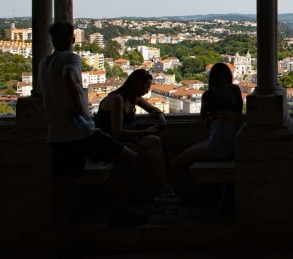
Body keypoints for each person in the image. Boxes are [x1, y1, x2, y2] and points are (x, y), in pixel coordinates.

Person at [39, 22, 145, 243]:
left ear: (52, 40)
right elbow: (68, 78)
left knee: (58, 188)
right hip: (81, 132)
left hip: (56, 134)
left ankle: (62, 240)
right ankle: (118, 212)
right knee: (130, 158)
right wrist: (80, 108)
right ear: (73, 39)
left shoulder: (44, 63)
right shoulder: (72, 58)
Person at [95, 69, 181, 214]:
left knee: (154, 141)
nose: (148, 91)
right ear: (136, 84)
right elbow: (117, 132)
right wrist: (148, 131)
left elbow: (152, 109)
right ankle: (160, 192)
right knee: (147, 152)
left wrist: (160, 116)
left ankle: (163, 189)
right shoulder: (117, 99)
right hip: (109, 141)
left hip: (123, 139)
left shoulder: (133, 97)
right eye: (146, 87)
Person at [170, 62, 244, 174]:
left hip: (217, 145)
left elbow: (203, 116)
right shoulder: (236, 90)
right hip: (232, 145)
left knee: (175, 164)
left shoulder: (208, 95)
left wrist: (210, 117)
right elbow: (238, 113)